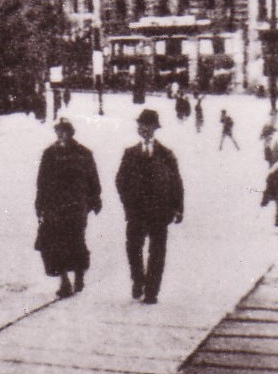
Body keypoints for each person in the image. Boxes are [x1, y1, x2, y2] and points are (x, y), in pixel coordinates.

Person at [115, 108, 183, 304]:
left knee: (157, 251)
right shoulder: (130, 153)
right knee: (133, 248)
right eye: (140, 125)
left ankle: (152, 291)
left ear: (154, 128)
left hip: (160, 211)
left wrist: (178, 208)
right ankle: (138, 280)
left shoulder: (166, 154)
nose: (143, 129)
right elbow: (120, 180)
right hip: (136, 211)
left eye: (147, 126)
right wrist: (127, 202)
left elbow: (176, 182)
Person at [36, 117, 102, 298]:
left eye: (64, 131)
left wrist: (95, 199)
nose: (60, 134)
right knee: (55, 243)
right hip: (54, 205)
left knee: (75, 240)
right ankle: (64, 281)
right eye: (58, 130)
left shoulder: (83, 153)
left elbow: (93, 179)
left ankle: (79, 274)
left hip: (77, 204)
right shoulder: (49, 153)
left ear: (70, 133)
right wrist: (39, 204)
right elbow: (41, 181)